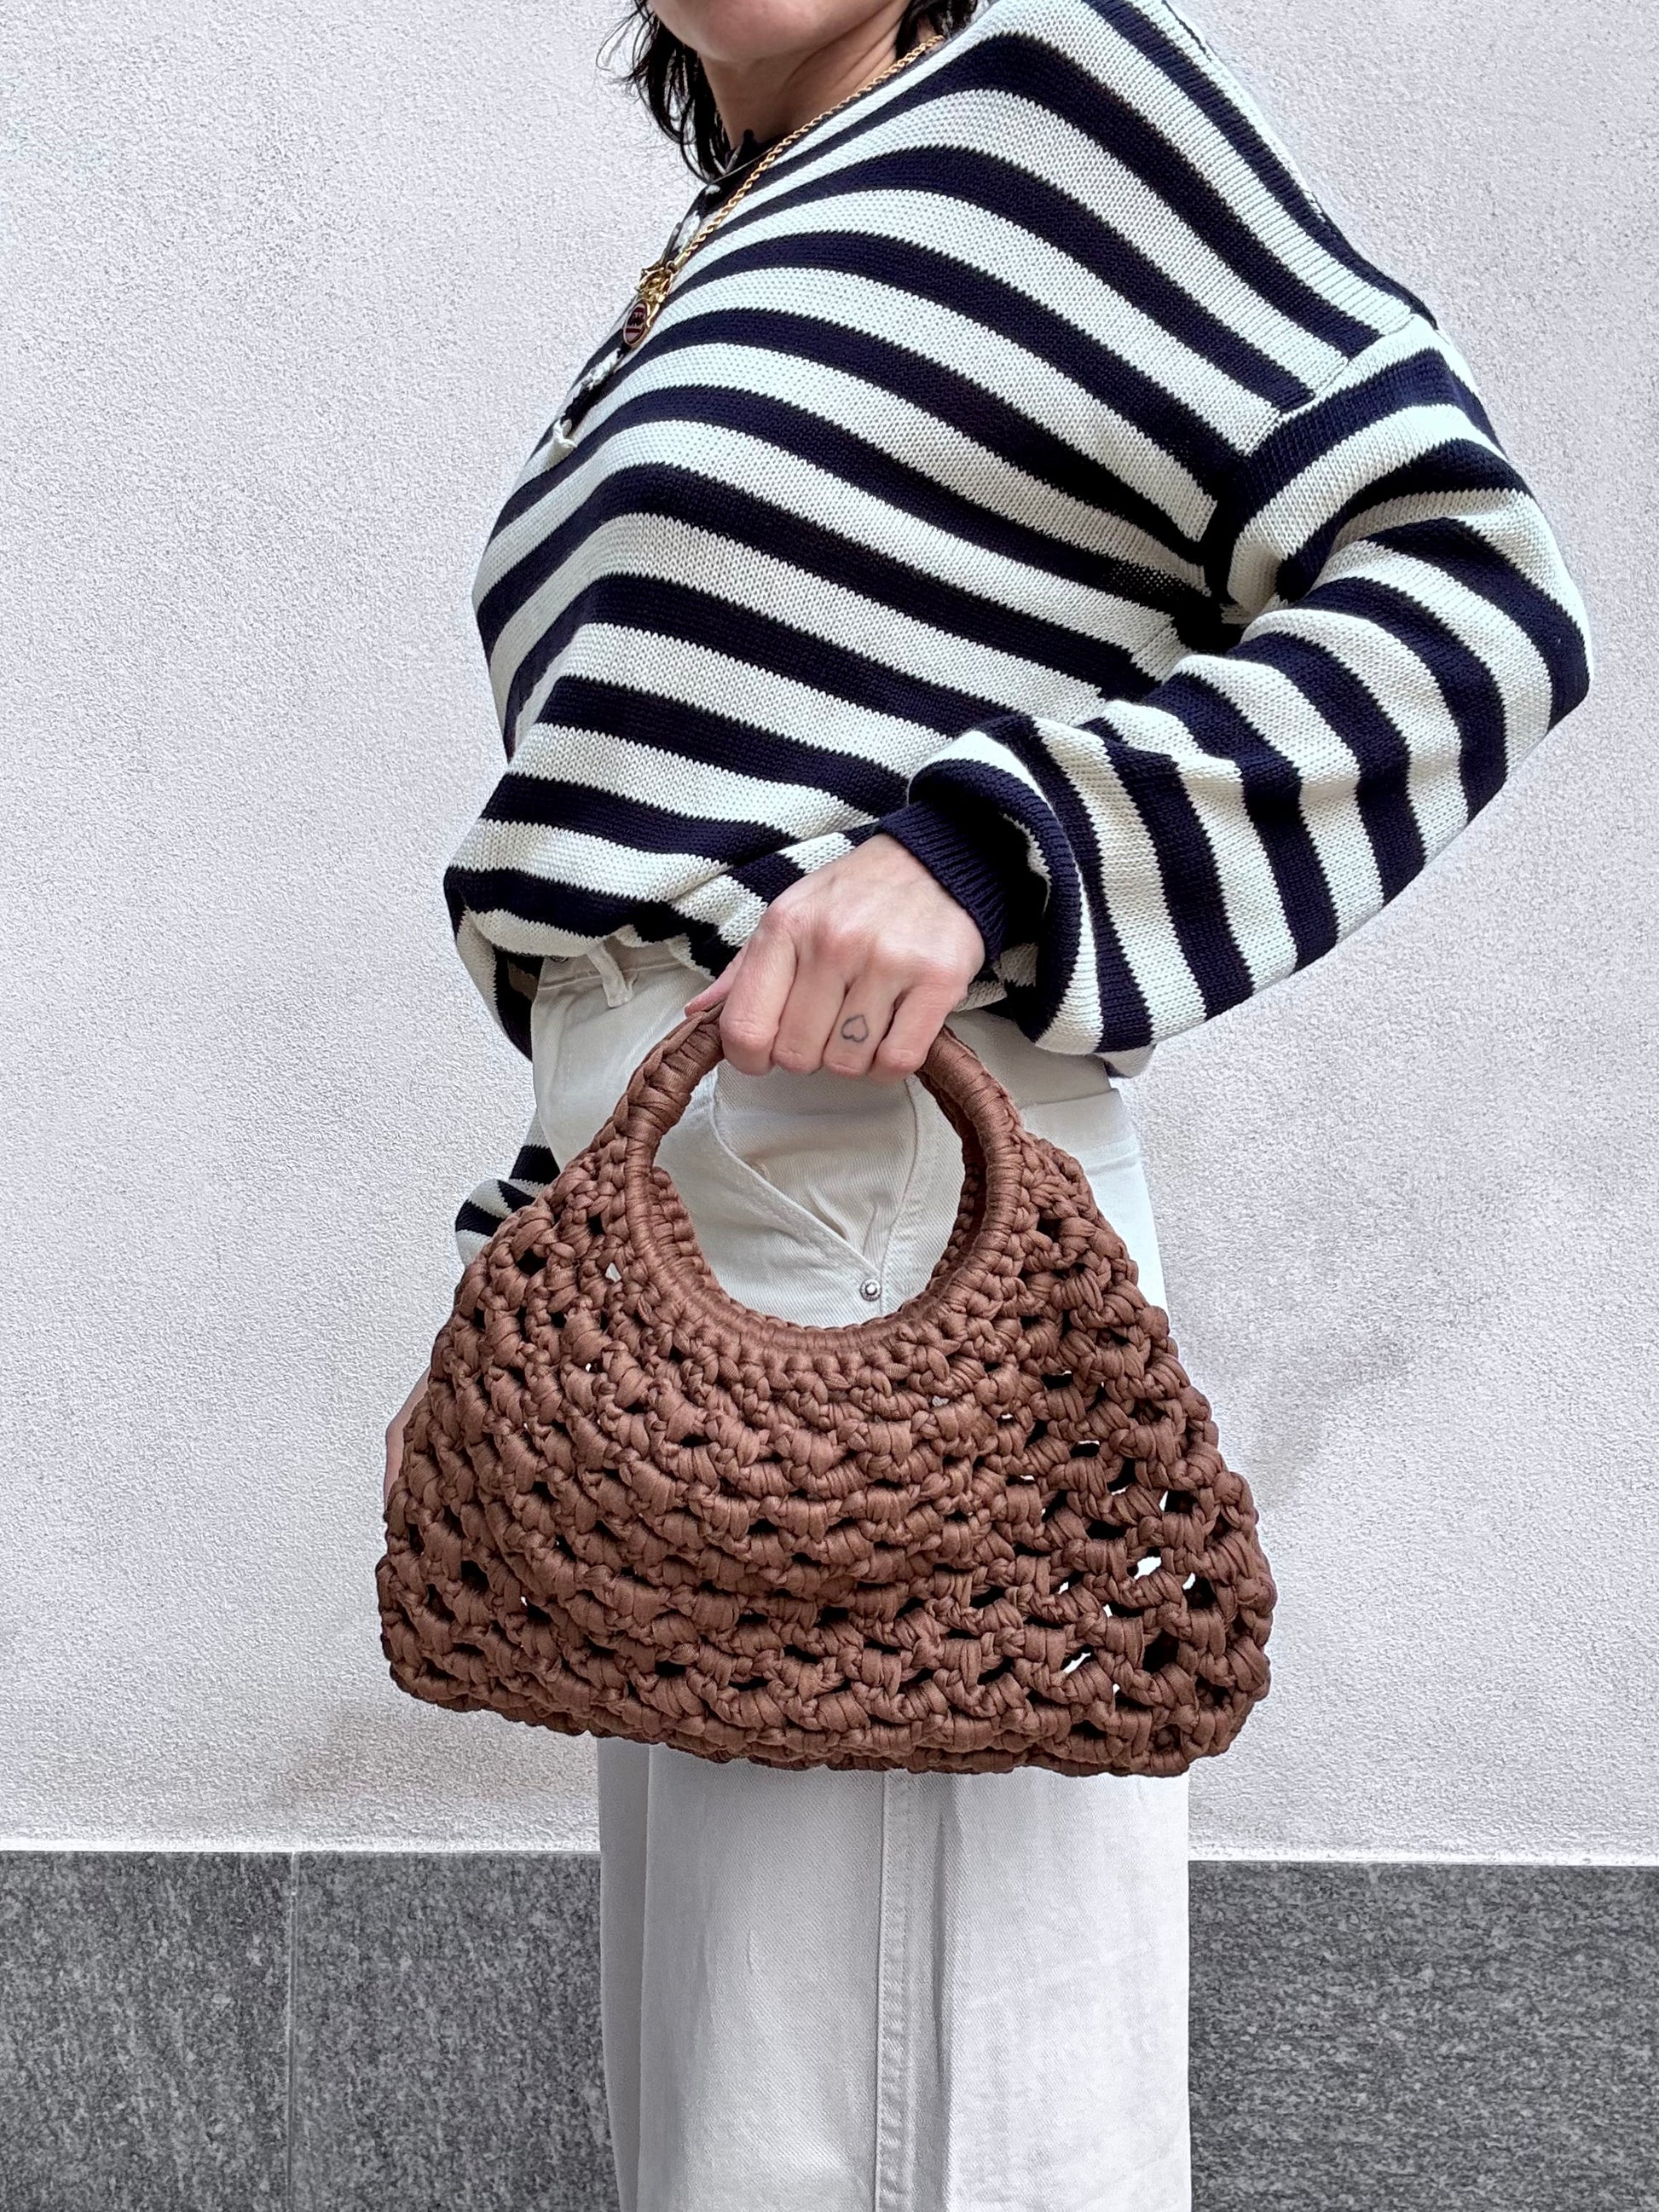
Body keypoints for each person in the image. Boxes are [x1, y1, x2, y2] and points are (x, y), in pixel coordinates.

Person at [384, 2, 1591, 2204]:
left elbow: (1468, 586)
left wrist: (994, 849)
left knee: (882, 2133)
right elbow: (638, 853)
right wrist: (538, 1255)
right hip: (675, 1276)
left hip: (879, 1227)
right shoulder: (720, 234)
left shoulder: (1046, 94)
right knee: (744, 2125)